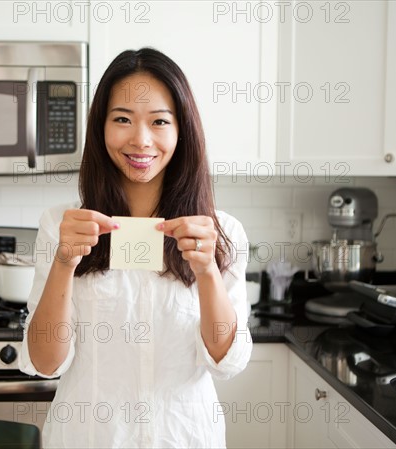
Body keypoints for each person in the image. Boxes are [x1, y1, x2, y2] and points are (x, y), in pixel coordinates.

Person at [19, 47, 252, 448]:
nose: (141, 140)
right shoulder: (61, 225)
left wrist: (208, 272)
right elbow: (45, 361)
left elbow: (226, 360)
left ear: (182, 131)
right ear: (101, 127)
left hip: (183, 438)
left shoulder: (221, 231)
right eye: (122, 119)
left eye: (159, 121)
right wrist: (63, 262)